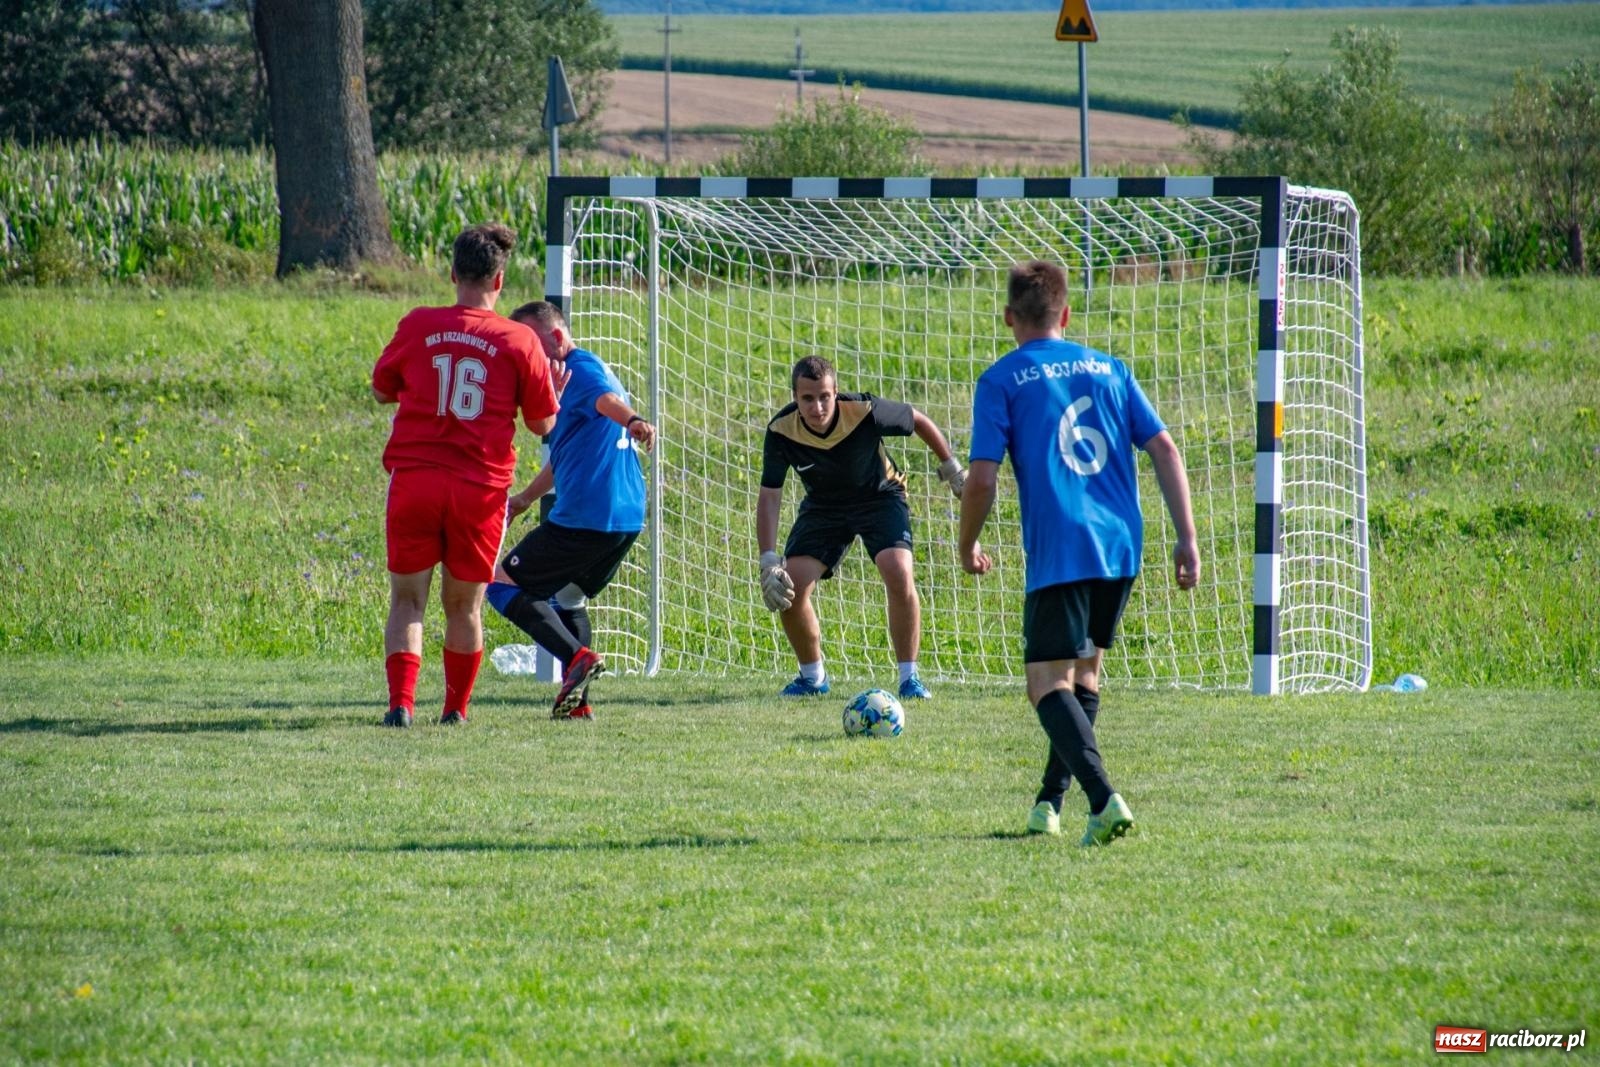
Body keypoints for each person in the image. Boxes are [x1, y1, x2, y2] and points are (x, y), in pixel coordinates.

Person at [957, 260, 1199, 846]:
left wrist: (966, 543)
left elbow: (983, 479)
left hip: (1061, 545)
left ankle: (1103, 798)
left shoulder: (1002, 379)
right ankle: (1048, 804)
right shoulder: (1112, 369)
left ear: (1010, 317)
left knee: (1045, 683)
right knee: (1084, 674)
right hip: (1120, 545)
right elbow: (1163, 446)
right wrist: (1187, 537)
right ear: (1066, 313)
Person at [372, 224, 564, 728]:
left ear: (452, 272)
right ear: (499, 281)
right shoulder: (519, 339)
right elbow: (542, 423)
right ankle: (455, 709)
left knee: (407, 599)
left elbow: (382, 388)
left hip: (415, 480)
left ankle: (401, 705)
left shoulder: (417, 324)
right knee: (464, 606)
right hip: (478, 489)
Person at [757, 355, 966, 701]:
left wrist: (953, 469)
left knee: (897, 570)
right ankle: (813, 678)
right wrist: (768, 559)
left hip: (880, 497)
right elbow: (769, 496)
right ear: (795, 397)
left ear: (836, 392)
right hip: (824, 507)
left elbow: (918, 421)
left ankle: (909, 678)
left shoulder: (865, 410)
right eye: (807, 398)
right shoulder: (781, 431)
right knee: (788, 586)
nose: (818, 406)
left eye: (825, 396)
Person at [486, 301, 656, 721]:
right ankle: (577, 703)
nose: (522, 354)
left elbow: (607, 401)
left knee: (500, 584)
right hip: (627, 516)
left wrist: (633, 419)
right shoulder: (566, 379)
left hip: (587, 515)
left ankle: (576, 656)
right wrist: (525, 498)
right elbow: (565, 456)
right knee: (569, 597)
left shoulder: (581, 371)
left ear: (557, 339)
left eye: (529, 343)